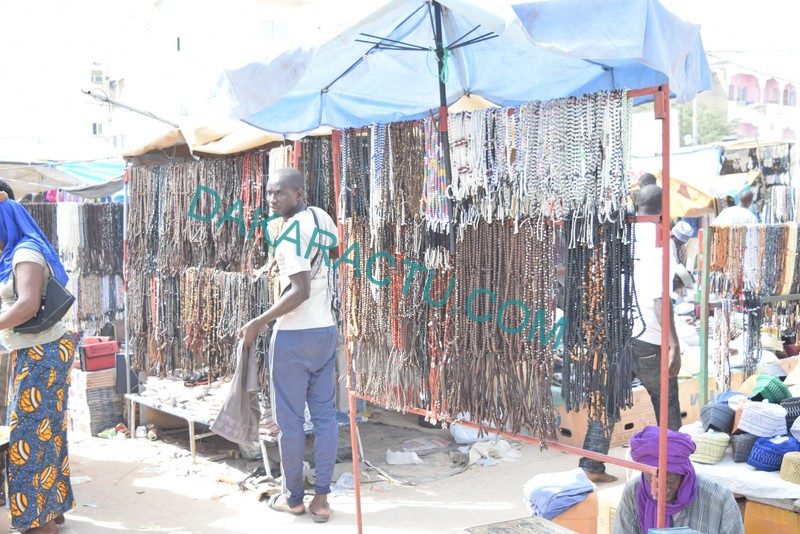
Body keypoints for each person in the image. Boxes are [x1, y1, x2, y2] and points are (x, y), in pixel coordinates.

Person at [240, 167, 339, 523]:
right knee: (326, 418)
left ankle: (294, 497)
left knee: (291, 422)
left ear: (299, 193)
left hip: (294, 338)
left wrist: (257, 322)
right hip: (325, 331)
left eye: (279, 193)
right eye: (268, 193)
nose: (271, 200)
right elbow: (330, 256)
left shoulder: (289, 234)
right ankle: (323, 500)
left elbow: (300, 290)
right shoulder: (322, 217)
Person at [580, 185, 682, 483]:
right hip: (649, 335)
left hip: (616, 331)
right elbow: (659, 295)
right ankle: (673, 469)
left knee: (608, 400)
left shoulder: (620, 234)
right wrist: (673, 341)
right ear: (662, 208)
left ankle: (591, 464)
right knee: (667, 401)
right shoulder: (661, 237)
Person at [0, 193, 75, 533]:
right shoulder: (14, 252)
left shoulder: (24, 252)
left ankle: (39, 524)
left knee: (28, 441)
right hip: (35, 352)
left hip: (41, 353)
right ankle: (50, 513)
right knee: (46, 435)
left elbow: (28, 305)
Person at [613, 426, 743, 533]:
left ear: (684, 475)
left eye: (670, 481)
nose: (661, 490)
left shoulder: (720, 499)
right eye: (651, 480)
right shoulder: (633, 492)